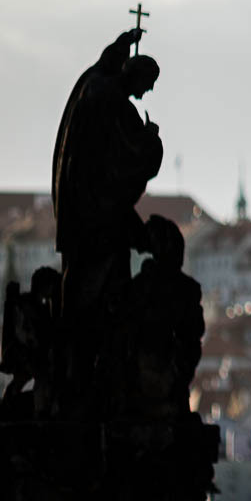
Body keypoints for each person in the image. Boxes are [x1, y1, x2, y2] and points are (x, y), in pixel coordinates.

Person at [52, 28, 162, 329]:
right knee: (105, 278)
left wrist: (122, 43)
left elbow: (103, 65)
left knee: (82, 274)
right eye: (148, 84)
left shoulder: (96, 85)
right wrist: (151, 138)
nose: (148, 92)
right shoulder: (117, 105)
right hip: (97, 209)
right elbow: (138, 155)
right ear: (137, 77)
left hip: (79, 201)